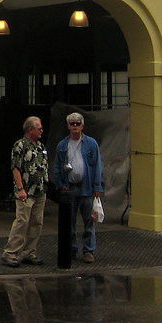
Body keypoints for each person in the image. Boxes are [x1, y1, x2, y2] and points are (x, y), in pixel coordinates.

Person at [53, 112, 104, 263]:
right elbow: (57, 166)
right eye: (72, 124)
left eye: (77, 124)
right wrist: (60, 184)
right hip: (69, 188)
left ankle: (89, 251)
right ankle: (71, 249)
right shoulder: (63, 145)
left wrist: (97, 187)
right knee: (69, 222)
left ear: (82, 126)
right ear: (68, 126)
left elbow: (97, 166)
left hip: (87, 188)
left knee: (89, 221)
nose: (75, 126)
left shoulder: (91, 144)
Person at [1, 116, 49, 267]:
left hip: (40, 191)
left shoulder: (40, 146)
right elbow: (15, 168)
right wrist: (21, 188)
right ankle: (10, 252)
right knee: (22, 221)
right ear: (30, 129)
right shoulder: (20, 145)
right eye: (39, 128)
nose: (41, 130)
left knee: (37, 222)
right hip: (26, 191)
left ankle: (29, 252)